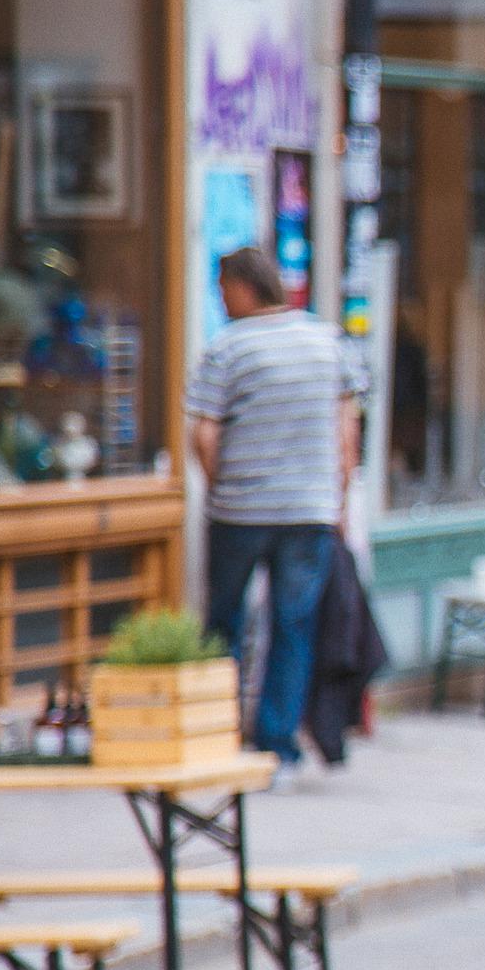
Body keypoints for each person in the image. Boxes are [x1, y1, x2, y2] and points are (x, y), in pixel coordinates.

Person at [186, 247, 365, 783]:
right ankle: (276, 748)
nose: (221, 300)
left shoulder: (227, 348)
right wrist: (338, 499)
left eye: (222, 289)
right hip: (309, 508)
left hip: (241, 512)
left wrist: (222, 486)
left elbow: (205, 432)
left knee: (225, 623)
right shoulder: (327, 341)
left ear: (242, 287)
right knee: (293, 626)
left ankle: (218, 736)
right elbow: (347, 431)